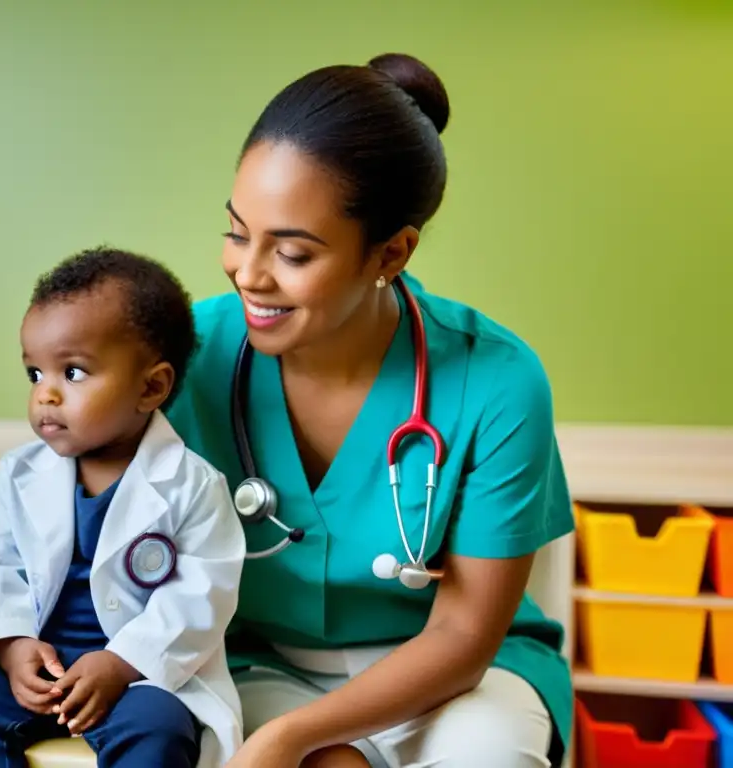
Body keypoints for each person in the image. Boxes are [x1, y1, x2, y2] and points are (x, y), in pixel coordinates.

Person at [163, 53, 575, 767]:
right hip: (259, 662)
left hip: (454, 672)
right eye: (237, 233)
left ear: (391, 252)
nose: (248, 274)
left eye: (292, 253)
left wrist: (289, 739)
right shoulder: (184, 355)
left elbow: (463, 636)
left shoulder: (498, 382)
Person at [0, 248, 247, 767]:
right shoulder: (21, 473)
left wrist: (120, 663)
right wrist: (13, 647)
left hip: (138, 675)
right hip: (42, 667)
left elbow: (201, 596)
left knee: (159, 730)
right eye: (35, 374)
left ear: (151, 387)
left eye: (73, 373)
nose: (46, 396)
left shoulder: (192, 485)